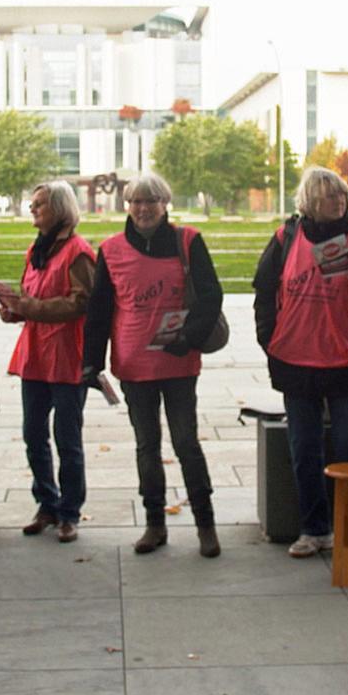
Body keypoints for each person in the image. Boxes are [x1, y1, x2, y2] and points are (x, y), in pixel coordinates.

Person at [253, 167, 348, 559]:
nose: (337, 202)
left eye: (341, 195)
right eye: (328, 196)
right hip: (296, 361)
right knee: (304, 449)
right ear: (310, 202)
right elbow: (264, 290)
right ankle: (314, 529)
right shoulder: (287, 237)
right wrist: (270, 340)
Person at [83, 172, 224, 557]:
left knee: (186, 443)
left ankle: (205, 525)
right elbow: (98, 311)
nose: (143, 209)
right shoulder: (110, 250)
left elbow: (211, 296)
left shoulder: (188, 241)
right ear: (126, 206)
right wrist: (90, 363)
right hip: (134, 364)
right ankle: (154, 523)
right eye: (135, 202)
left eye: (151, 201)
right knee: (147, 446)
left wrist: (188, 338)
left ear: (165, 205)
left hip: (179, 362)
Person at [0, 181, 95, 543]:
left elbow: (82, 302)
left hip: (68, 355)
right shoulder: (35, 250)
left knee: (67, 437)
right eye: (32, 203)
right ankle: (46, 503)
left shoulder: (79, 251)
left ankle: (70, 511)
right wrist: (15, 310)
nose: (32, 209)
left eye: (39, 204)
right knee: (33, 433)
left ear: (59, 209)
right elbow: (30, 296)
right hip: (36, 355)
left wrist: (30, 308)